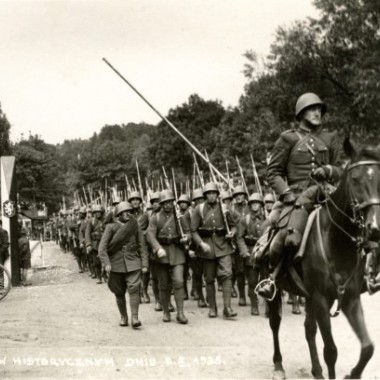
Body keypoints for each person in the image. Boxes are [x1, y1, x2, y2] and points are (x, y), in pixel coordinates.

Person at [257, 92, 342, 300]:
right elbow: (273, 172)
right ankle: (272, 277)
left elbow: (341, 169)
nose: (317, 112)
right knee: (285, 237)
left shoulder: (330, 137)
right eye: (313, 109)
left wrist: (329, 170)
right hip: (296, 197)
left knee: (356, 220)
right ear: (301, 112)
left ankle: (366, 272)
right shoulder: (287, 138)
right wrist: (286, 194)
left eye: (319, 109)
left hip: (326, 194)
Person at [191, 182, 237, 319]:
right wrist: (200, 243)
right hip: (207, 248)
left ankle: (227, 307)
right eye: (209, 193)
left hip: (223, 246)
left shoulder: (224, 208)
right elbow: (193, 230)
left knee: (227, 274)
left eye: (214, 193)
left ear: (217, 194)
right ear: (205, 195)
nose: (211, 196)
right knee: (209, 278)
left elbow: (233, 226)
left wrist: (232, 233)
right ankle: (212, 307)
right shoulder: (198, 210)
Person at [98, 201, 148, 328]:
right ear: (119, 214)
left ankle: (135, 317)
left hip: (133, 262)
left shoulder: (134, 226)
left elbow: (142, 246)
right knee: (119, 292)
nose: (128, 214)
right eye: (125, 212)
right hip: (116, 264)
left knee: (134, 288)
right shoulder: (111, 227)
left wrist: (144, 263)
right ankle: (123, 316)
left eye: (130, 212)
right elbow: (102, 248)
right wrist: (106, 263)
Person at [147, 190, 190, 324]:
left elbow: (188, 232)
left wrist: (186, 238)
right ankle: (166, 310)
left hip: (177, 253)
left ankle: (180, 313)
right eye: (164, 203)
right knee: (164, 285)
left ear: (173, 202)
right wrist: (158, 248)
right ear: (161, 204)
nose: (167, 205)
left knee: (179, 282)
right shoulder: (155, 218)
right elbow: (150, 235)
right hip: (162, 255)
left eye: (170, 202)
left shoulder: (179, 217)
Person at [236, 193, 265, 315]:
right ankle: (254, 305)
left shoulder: (266, 219)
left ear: (260, 205)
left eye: (257, 203)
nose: (255, 205)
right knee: (252, 281)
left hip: (264, 253)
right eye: (252, 203)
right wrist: (244, 251)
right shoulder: (245, 220)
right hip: (251, 253)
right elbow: (239, 237)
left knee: (265, 281)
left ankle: (268, 305)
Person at [230, 185, 250, 304]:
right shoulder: (231, 210)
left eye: (240, 195)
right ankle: (242, 296)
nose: (238, 197)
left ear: (244, 195)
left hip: (249, 242)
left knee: (251, 269)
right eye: (236, 195)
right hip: (236, 243)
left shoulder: (250, 207)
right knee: (239, 271)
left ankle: (252, 294)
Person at [85, 205, 105, 284]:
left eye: (99, 212)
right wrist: (88, 244)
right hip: (95, 244)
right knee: (96, 262)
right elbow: (87, 233)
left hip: (104, 243)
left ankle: (106, 275)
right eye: (96, 212)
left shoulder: (105, 220)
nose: (98, 214)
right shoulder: (91, 221)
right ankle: (99, 277)